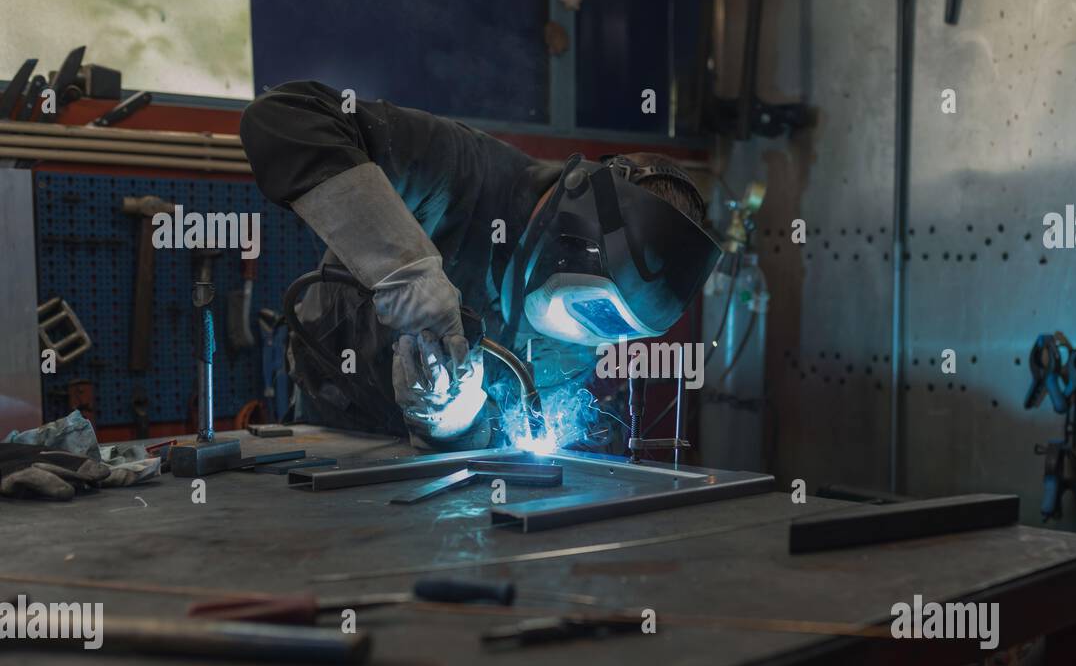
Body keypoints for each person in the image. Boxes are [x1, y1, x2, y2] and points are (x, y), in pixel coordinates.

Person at [240, 80, 719, 447]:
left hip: (426, 472)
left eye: (613, 330)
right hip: (333, 421)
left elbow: (503, 439)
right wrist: (403, 267)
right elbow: (282, 117)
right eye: (592, 309)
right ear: (575, 228)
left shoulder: (584, 338)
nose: (589, 341)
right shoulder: (457, 169)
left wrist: (454, 422)